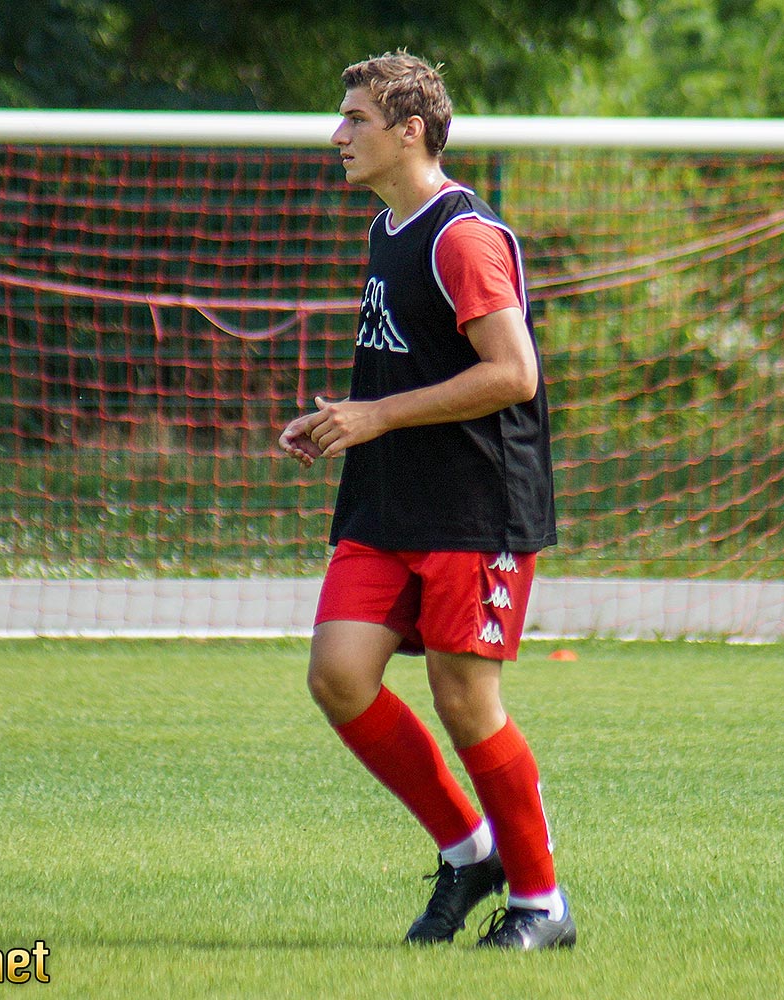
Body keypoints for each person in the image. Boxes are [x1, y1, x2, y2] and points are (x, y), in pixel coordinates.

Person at [278, 50, 574, 951]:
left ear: (410, 131)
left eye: (355, 119)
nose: (337, 134)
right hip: (388, 501)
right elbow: (412, 365)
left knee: (464, 699)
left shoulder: (462, 238)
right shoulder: (388, 229)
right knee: (338, 675)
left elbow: (513, 374)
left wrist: (375, 416)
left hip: (473, 507)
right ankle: (469, 852)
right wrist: (342, 420)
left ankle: (542, 905)